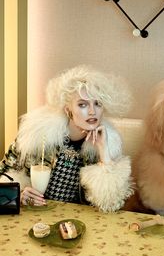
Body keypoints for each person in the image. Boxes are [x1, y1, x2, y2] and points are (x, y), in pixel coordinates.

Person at [0, 65, 134, 212]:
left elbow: (110, 205)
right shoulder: (38, 134)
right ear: (68, 109)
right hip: (35, 215)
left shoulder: (109, 142)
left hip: (77, 222)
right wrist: (18, 194)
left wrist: (104, 153)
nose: (92, 111)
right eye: (82, 105)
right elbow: (5, 173)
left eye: (98, 104)